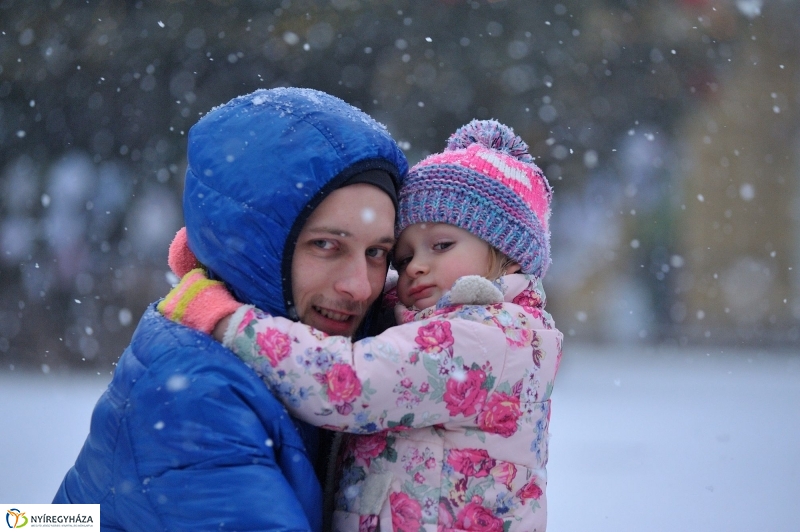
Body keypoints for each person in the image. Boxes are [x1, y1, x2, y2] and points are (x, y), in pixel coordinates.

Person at [161, 120, 563, 532]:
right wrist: (230, 258)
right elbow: (386, 304)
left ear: (509, 255)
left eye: (442, 245)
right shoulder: (471, 324)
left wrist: (225, 316)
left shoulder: (481, 338)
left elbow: (343, 382)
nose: (417, 266)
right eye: (402, 258)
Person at [52, 87, 408, 532]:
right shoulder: (195, 393)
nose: (359, 287)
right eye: (326, 245)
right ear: (256, 246)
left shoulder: (342, 355)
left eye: (377, 252)